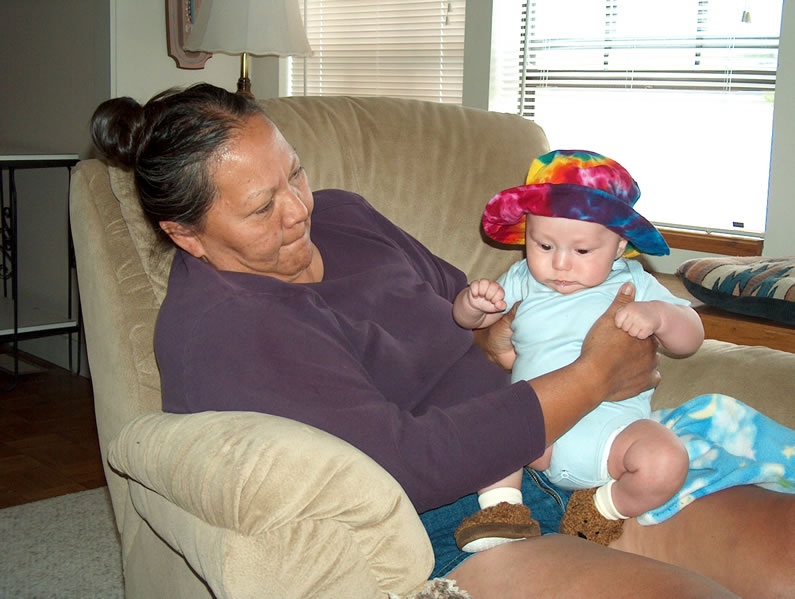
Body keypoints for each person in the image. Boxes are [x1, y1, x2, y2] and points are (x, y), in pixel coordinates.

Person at [89, 83, 793, 599]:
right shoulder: (223, 329)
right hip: (458, 523)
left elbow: (465, 306)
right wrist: (592, 373)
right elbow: (411, 462)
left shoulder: (345, 216)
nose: (299, 209)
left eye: (294, 174)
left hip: (581, 464)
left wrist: (508, 330)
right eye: (260, 207)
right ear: (186, 234)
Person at [452, 150, 703, 553]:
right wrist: (473, 303)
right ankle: (501, 508)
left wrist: (659, 315)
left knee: (667, 459)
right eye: (544, 245)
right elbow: (471, 323)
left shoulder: (634, 285)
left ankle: (603, 507)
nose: (560, 264)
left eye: (582, 251)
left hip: (614, 434)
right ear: (527, 233)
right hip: (537, 428)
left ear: (620, 246)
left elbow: (691, 337)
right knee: (489, 420)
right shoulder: (522, 279)